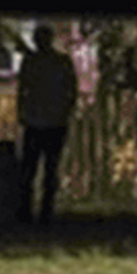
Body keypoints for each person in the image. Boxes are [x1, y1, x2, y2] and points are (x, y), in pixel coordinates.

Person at [15, 24, 79, 225]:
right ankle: (44, 212)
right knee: (48, 169)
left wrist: (22, 112)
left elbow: (22, 89)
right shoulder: (60, 61)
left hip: (38, 120)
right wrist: (66, 111)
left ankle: (29, 211)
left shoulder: (32, 61)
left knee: (32, 169)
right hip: (53, 121)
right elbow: (72, 90)